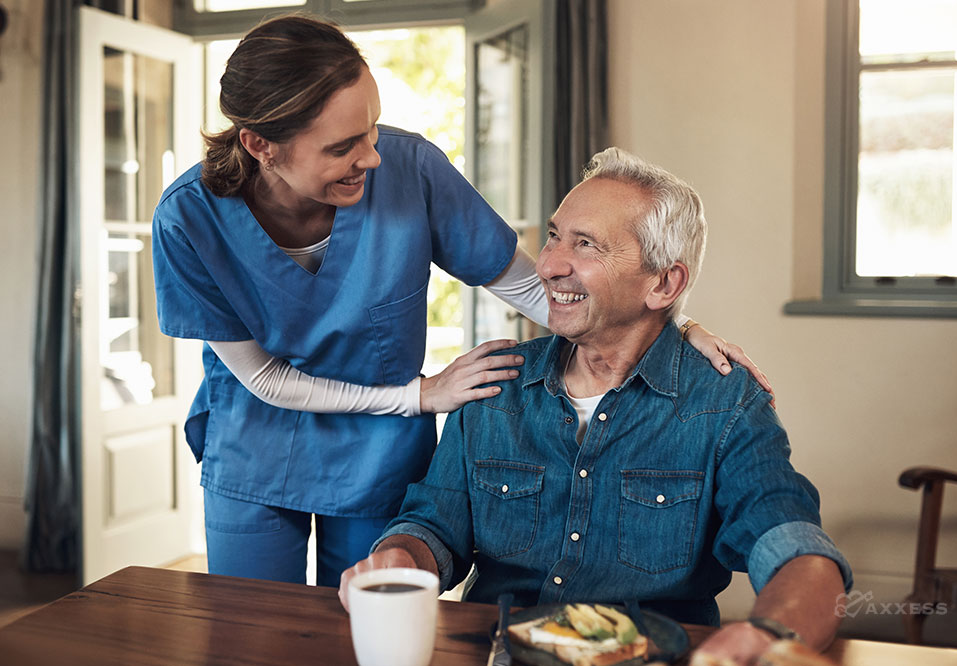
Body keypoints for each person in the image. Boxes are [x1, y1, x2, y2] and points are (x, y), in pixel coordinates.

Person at [151, 15, 770, 589]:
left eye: (370, 130)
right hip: (258, 443)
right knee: (251, 634)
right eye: (343, 147)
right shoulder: (188, 220)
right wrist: (422, 395)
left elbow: (538, 287)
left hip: (378, 452)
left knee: (369, 618)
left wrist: (671, 325)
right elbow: (263, 376)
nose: (371, 156)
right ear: (262, 145)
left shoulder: (411, 169)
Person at [339, 148, 851, 665]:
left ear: (664, 284)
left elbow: (792, 546)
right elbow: (434, 527)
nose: (548, 264)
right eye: (555, 235)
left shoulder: (726, 403)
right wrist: (398, 559)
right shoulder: (497, 385)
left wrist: (767, 633)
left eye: (585, 245)